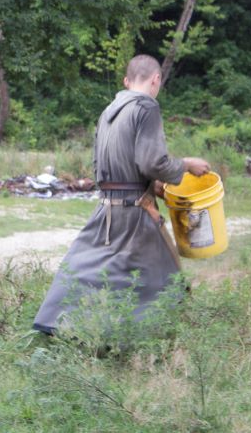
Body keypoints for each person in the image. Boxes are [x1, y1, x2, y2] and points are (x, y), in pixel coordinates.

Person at [32, 55, 210, 336]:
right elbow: (152, 162)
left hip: (107, 208)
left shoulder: (108, 112)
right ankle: (156, 341)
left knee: (87, 267)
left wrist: (153, 187)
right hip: (135, 213)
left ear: (127, 81)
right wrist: (186, 165)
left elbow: (100, 165)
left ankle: (60, 327)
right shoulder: (146, 107)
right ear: (156, 79)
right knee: (162, 276)